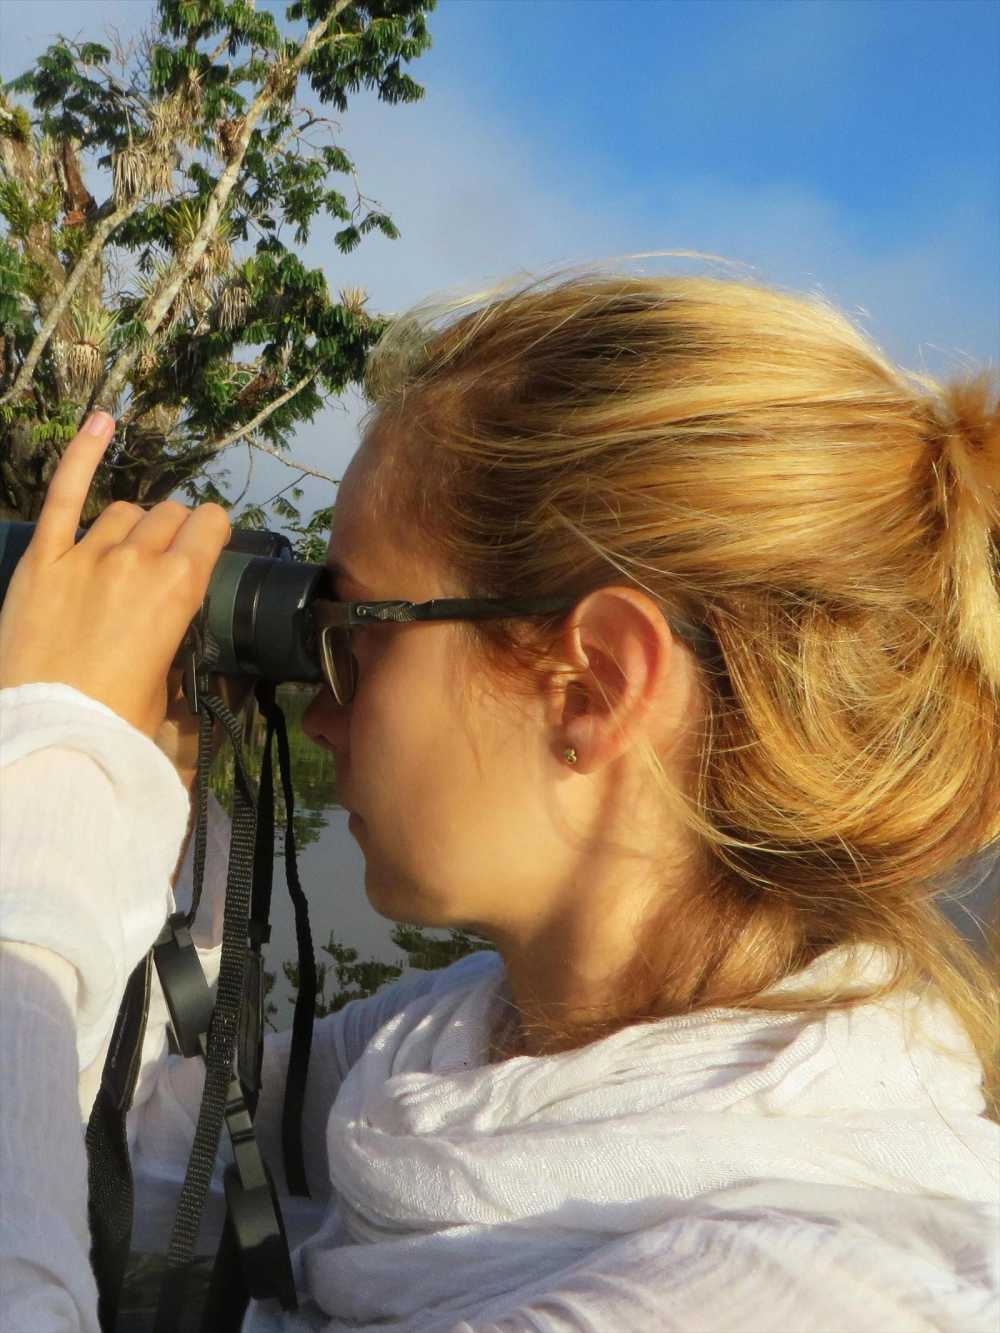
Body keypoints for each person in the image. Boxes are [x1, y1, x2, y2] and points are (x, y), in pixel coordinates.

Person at [1, 262, 998, 1333]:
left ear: (591, 687)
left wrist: (49, 783)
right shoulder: (467, 1039)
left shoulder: (792, 1292)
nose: (318, 711)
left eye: (351, 632)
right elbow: (146, 1139)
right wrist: (127, 795)